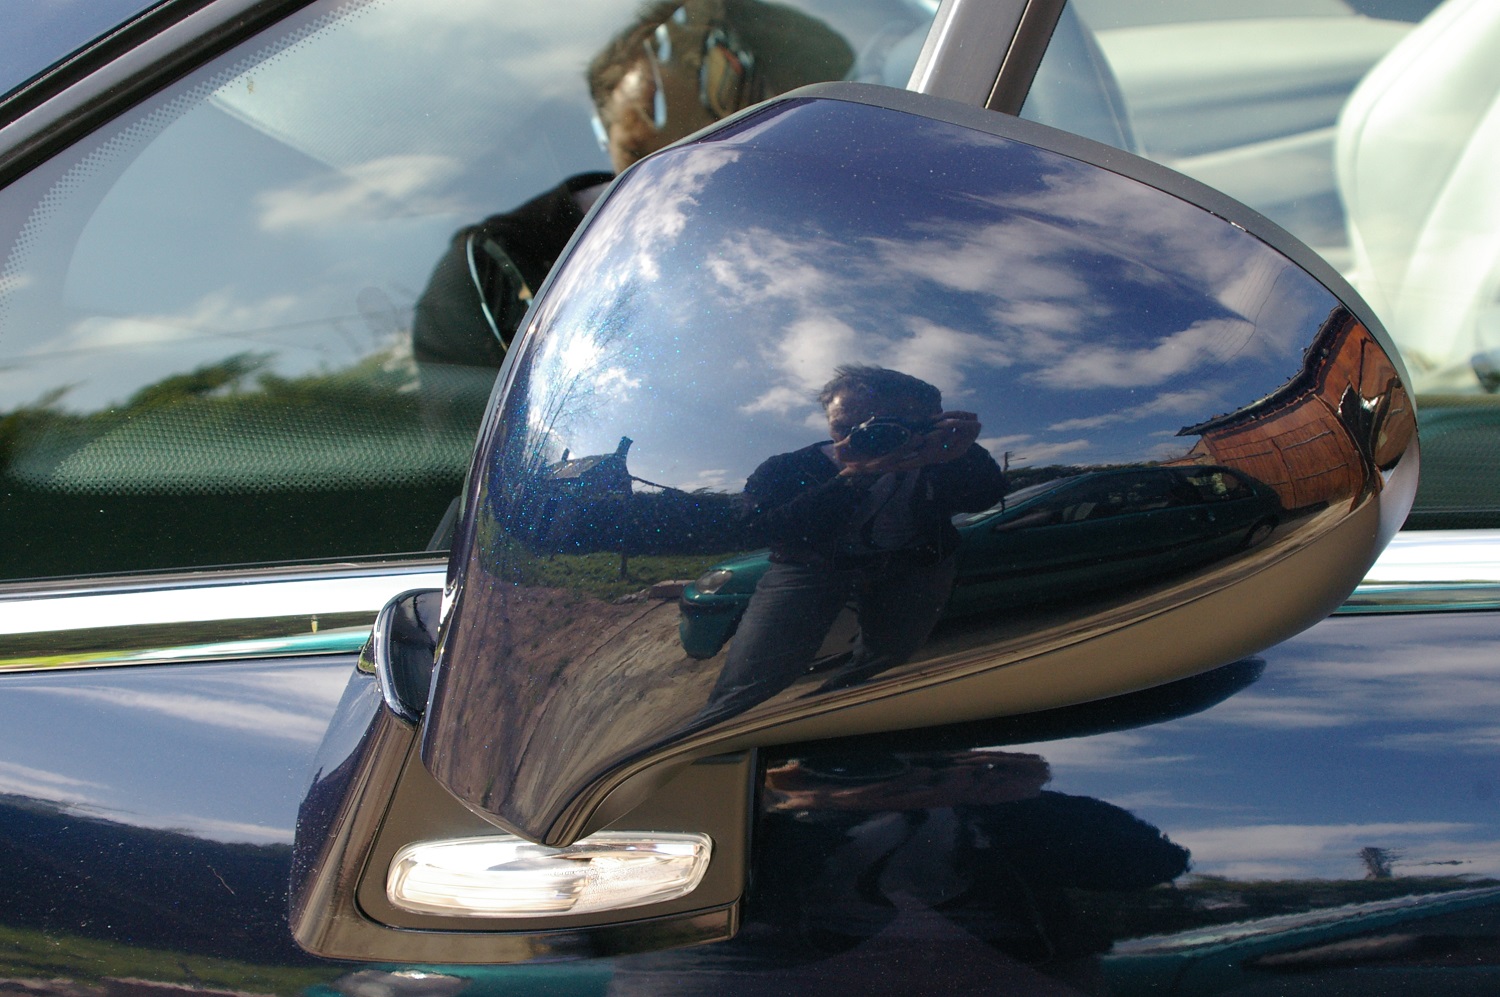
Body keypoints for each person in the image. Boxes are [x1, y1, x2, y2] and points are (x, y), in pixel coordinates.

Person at [705, 365, 1006, 716]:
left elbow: (986, 497)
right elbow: (761, 529)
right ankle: (725, 728)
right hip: (810, 567)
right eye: (845, 428)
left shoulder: (947, 454)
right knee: (752, 675)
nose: (866, 436)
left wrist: (961, 457)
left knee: (891, 652)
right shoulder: (787, 467)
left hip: (914, 562)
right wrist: (851, 478)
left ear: (934, 420)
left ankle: (835, 707)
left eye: (888, 425)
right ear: (827, 421)